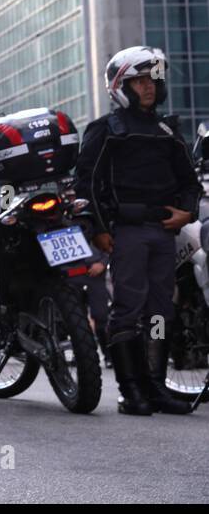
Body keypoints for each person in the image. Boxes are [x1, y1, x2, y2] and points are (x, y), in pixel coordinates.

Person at [75, 46, 197, 416]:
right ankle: (130, 391)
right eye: (140, 81)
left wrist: (187, 213)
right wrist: (97, 229)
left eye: (153, 81)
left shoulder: (167, 131)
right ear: (120, 85)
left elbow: (190, 182)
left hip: (164, 231)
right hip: (125, 231)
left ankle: (156, 385)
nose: (148, 88)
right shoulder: (106, 130)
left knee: (160, 311)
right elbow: (87, 185)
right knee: (127, 309)